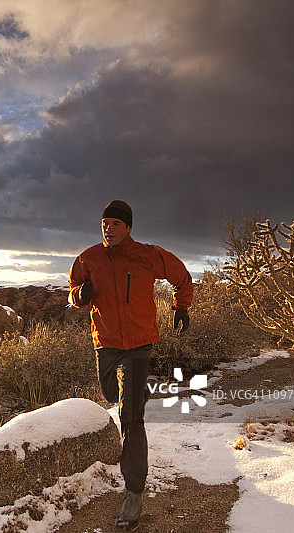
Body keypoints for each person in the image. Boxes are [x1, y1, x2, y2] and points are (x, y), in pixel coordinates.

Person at [67, 200, 193, 530]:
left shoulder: (148, 255)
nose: (108, 227)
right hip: (105, 344)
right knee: (110, 394)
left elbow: (182, 277)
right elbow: (73, 292)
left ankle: (134, 492)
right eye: (104, 222)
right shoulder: (88, 257)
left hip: (138, 345)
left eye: (115, 223)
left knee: (130, 416)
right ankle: (130, 394)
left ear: (129, 228)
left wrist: (181, 307)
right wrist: (81, 294)